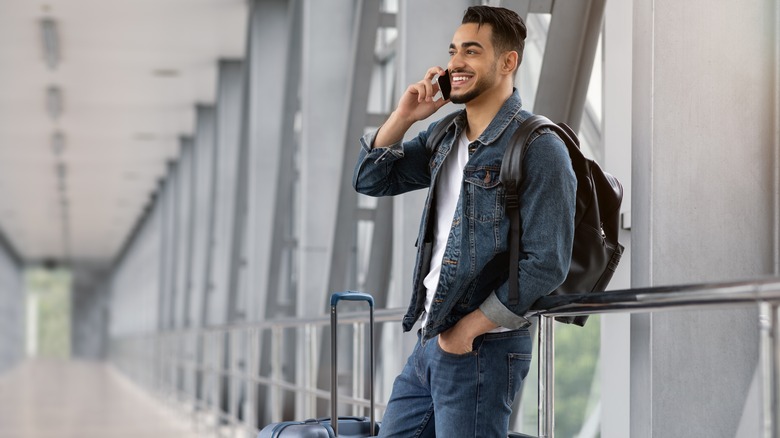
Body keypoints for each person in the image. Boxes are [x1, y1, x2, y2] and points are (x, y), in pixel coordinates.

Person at [353, 6, 576, 437]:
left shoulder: (538, 146)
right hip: (431, 339)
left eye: (471, 52)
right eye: (453, 51)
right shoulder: (445, 135)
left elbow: (547, 262)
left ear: (508, 62)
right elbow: (370, 178)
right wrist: (406, 116)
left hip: (483, 346)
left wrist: (468, 331)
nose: (455, 62)